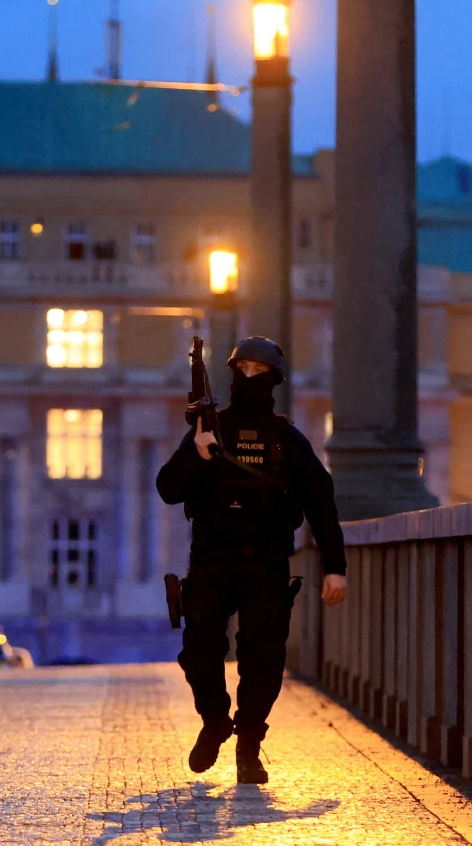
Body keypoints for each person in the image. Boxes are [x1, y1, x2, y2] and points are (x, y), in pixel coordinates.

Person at [156, 336, 348, 784]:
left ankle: (249, 746)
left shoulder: (287, 439)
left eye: (258, 372)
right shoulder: (208, 431)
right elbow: (168, 488)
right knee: (199, 655)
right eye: (241, 369)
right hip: (210, 562)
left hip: (265, 564)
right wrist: (197, 454)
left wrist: (335, 566)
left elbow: (322, 503)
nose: (248, 378)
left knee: (262, 661)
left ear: (274, 379)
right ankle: (216, 721)